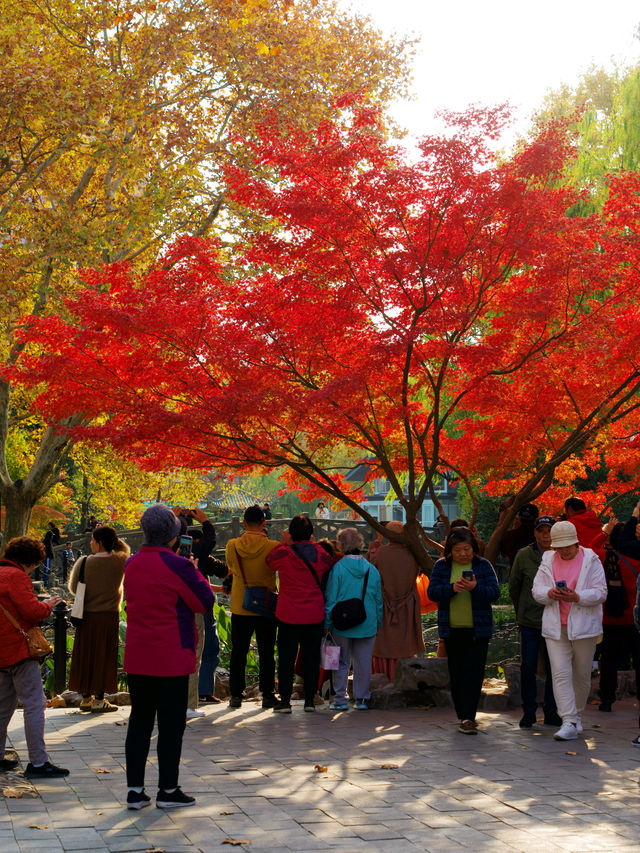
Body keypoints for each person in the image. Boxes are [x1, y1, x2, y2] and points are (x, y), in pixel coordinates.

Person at [123, 504, 215, 810]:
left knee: (139, 721)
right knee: (171, 724)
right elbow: (204, 601)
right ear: (174, 536)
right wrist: (192, 568)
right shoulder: (179, 566)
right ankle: (168, 789)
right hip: (172, 654)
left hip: (139, 653)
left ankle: (135, 791)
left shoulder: (132, 564)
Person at [532, 520, 607, 741]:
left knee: (582, 674)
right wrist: (550, 593)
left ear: (576, 543)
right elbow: (536, 590)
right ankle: (569, 720)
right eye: (559, 547)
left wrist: (577, 597)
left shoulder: (590, 560)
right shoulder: (547, 560)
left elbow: (601, 592)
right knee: (560, 672)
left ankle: (577, 716)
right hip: (556, 627)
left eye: (568, 546)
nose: (564, 551)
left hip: (584, 627)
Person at [0, 537, 68, 777]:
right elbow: (31, 611)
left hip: (1, 652)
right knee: (34, 705)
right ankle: (38, 762)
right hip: (19, 650)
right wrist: (48, 604)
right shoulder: (17, 577)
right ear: (29, 561)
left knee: (3, 706)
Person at [427, 527, 500, 734]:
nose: (463, 554)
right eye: (458, 550)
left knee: (474, 674)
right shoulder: (442, 567)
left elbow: (494, 593)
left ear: (473, 548)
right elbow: (432, 592)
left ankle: (468, 717)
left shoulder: (482, 565)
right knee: (457, 674)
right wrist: (451, 589)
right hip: (452, 630)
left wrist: (475, 588)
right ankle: (463, 714)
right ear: (450, 550)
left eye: (466, 549)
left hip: (478, 630)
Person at [266, 515, 334, 712]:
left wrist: (283, 543)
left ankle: (285, 701)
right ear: (311, 534)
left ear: (291, 533)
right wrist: (314, 544)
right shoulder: (320, 554)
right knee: (312, 657)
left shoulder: (284, 553)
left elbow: (269, 561)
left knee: (286, 658)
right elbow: (329, 562)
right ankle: (310, 701)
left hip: (288, 613)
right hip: (314, 613)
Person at [68, 525, 130, 712]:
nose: (91, 543)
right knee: (105, 656)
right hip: (109, 615)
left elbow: (73, 588)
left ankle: (85, 698)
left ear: (99, 543)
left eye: (93, 540)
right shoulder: (121, 561)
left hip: (86, 615)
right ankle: (99, 699)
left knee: (86, 654)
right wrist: (114, 539)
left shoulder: (84, 562)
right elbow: (126, 550)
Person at [508, 515, 561, 728]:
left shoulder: (562, 554)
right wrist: (521, 610)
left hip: (555, 619)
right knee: (528, 666)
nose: (546, 535)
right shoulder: (524, 555)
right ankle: (528, 711)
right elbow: (514, 586)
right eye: (542, 531)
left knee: (554, 667)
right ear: (535, 533)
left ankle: (551, 710)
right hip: (529, 620)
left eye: (549, 531)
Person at [225, 505, 279, 709]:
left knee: (238, 651)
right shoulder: (273, 546)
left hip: (241, 604)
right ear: (264, 523)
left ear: (244, 523)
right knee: (266, 652)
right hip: (265, 605)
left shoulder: (232, 545)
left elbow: (230, 567)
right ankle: (267, 694)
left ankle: (236, 695)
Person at [323, 527, 382, 710]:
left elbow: (331, 599)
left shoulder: (338, 569)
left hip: (342, 624)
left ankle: (340, 700)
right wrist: (377, 622)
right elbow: (378, 600)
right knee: (363, 663)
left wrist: (327, 623)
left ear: (340, 545)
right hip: (367, 622)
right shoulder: (371, 570)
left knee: (341, 662)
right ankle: (362, 699)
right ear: (360, 543)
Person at [589, 517, 640, 718]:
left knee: (608, 660)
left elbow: (590, 549)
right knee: (638, 661)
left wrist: (604, 533)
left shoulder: (604, 557)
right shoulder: (637, 560)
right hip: (635, 621)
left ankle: (607, 700)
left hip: (610, 619)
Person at [370, 521, 425, 683]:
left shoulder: (379, 553)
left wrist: (377, 542)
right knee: (403, 644)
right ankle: (404, 680)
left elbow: (369, 565)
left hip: (384, 606)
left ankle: (383, 681)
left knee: (383, 645)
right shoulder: (413, 555)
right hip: (406, 607)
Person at [500, 504, 539, 570]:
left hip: (515, 576)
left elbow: (504, 555)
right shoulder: (541, 538)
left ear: (519, 518)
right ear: (536, 520)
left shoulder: (508, 536)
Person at [42, 520, 61, 587]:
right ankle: (45, 582)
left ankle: (46, 581)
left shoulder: (48, 540)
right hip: (47, 557)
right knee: (47, 568)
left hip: (47, 557)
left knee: (47, 568)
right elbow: (49, 550)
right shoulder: (47, 541)